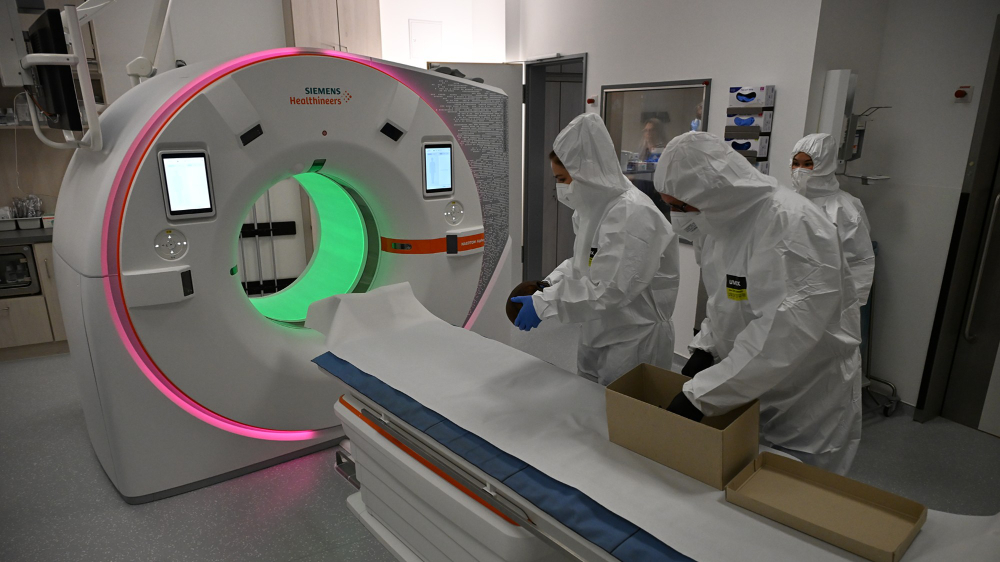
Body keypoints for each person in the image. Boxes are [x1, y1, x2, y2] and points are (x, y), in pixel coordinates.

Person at [653, 132, 862, 475]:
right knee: (742, 478)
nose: (675, 216)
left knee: (794, 486)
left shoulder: (793, 225)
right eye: (669, 205)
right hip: (747, 383)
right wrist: (707, 346)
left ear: (712, 192)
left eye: (679, 206)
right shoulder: (718, 224)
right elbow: (726, 301)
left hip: (805, 395)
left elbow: (782, 334)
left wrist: (703, 394)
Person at [512, 113, 679, 386]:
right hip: (598, 325)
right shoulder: (590, 209)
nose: (560, 188)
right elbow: (582, 263)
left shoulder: (632, 213)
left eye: (562, 179)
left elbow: (610, 289)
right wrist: (548, 284)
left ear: (586, 174)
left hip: (634, 337)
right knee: (588, 398)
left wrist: (546, 303)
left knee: (619, 408)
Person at [790, 133, 875, 309]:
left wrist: (848, 308)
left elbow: (859, 262)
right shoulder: (788, 202)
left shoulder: (846, 208)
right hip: (787, 296)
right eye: (796, 163)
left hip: (827, 300)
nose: (800, 170)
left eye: (808, 164)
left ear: (826, 165)